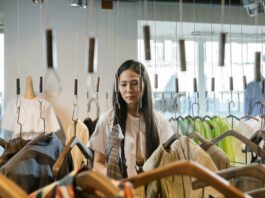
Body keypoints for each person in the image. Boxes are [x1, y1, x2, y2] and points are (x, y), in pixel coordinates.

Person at [89, 60, 173, 179]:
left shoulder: (160, 122)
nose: (129, 89)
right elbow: (97, 164)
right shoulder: (106, 120)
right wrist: (116, 180)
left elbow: (169, 163)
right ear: (118, 87)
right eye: (123, 84)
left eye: (135, 83)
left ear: (145, 84)